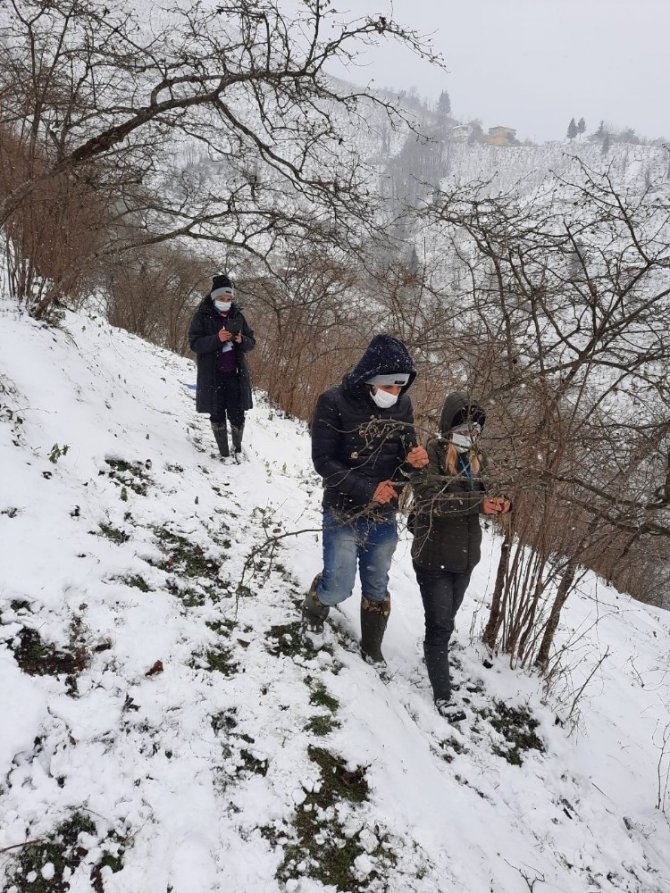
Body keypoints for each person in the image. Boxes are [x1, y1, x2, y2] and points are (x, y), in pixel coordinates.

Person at [304, 334, 429, 664]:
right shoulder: (333, 402)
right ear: (370, 377)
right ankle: (316, 606)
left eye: (400, 387)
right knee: (339, 587)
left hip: (383, 512)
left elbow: (405, 453)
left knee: (377, 583)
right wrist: (366, 488)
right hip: (342, 507)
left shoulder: (402, 406)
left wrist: (414, 462)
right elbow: (323, 461)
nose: (395, 394)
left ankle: (372, 647)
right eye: (389, 387)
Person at [409, 392, 510, 719]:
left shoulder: (478, 461)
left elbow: (492, 492)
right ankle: (443, 695)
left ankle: (433, 653)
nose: (472, 437)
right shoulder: (430, 457)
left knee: (445, 622)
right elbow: (430, 504)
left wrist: (503, 503)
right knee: (439, 625)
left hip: (465, 559)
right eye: (466, 430)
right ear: (450, 428)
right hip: (432, 555)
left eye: (476, 431)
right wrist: (476, 505)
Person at [188, 274, 255, 461]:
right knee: (217, 414)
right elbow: (194, 344)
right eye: (221, 299)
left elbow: (252, 342)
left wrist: (242, 340)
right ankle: (224, 452)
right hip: (212, 376)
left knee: (237, 414)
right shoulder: (202, 317)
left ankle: (237, 448)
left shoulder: (238, 316)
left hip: (235, 375)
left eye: (228, 299)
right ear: (213, 298)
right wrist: (217, 339)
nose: (225, 302)